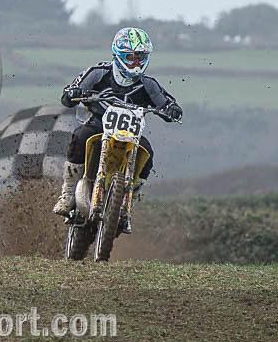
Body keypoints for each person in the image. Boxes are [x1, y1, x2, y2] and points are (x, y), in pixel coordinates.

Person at [52, 27, 183, 218]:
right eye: (131, 57)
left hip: (131, 135)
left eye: (141, 57)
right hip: (98, 126)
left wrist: (172, 109)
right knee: (80, 137)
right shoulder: (98, 73)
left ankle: (128, 202)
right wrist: (74, 93)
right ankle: (68, 193)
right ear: (118, 54)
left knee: (147, 154)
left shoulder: (148, 84)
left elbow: (166, 102)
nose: (136, 62)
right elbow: (69, 94)